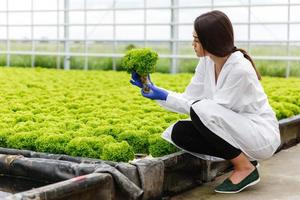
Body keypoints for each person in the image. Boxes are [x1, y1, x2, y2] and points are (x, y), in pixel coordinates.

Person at [130, 10, 281, 193]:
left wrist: (164, 95)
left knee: (202, 110)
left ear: (211, 41)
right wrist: (157, 92)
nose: (192, 44)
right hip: (236, 129)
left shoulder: (240, 69)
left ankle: (245, 168)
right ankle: (245, 160)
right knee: (180, 132)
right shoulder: (207, 62)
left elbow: (208, 111)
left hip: (259, 135)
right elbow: (191, 99)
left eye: (196, 39)